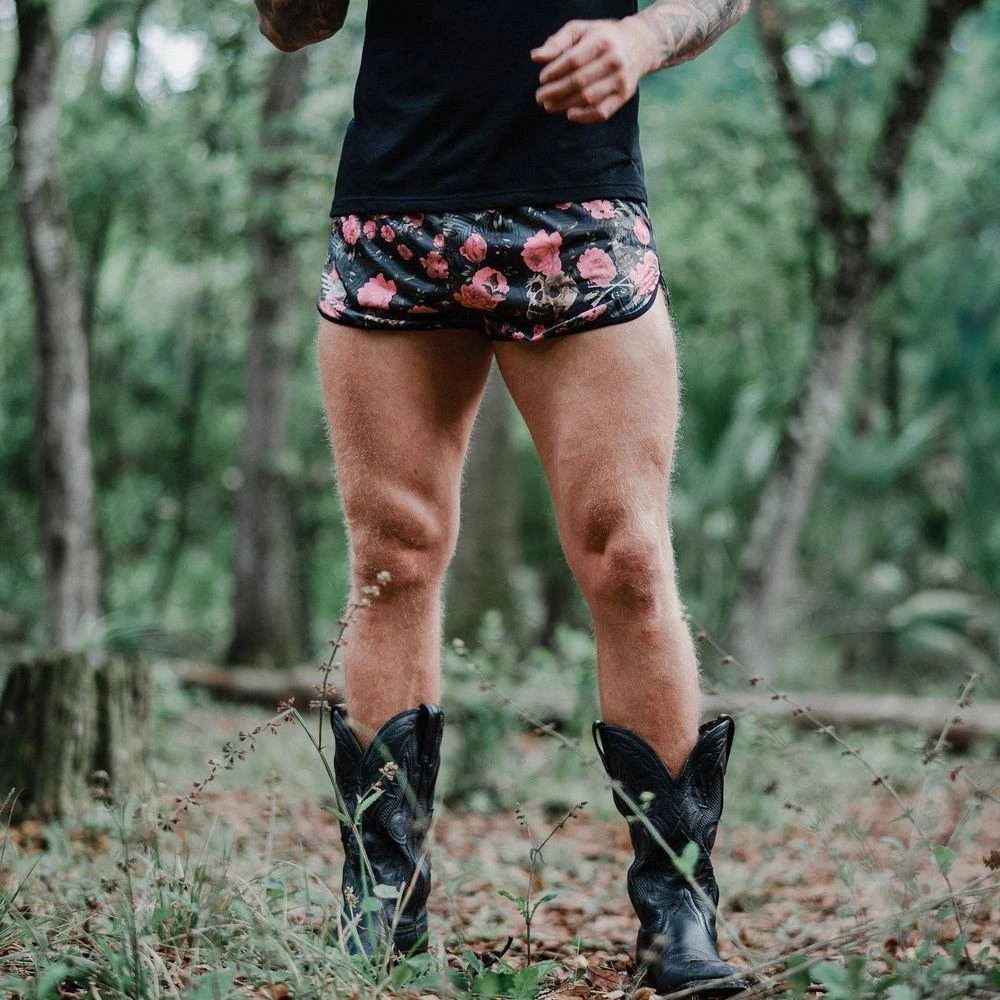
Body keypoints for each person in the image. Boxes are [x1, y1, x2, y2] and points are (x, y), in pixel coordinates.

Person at [255, 0, 751, 994]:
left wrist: (639, 40)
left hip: (578, 212)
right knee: (392, 555)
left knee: (627, 553)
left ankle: (676, 912)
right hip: (395, 215)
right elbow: (292, 24)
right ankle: (383, 905)